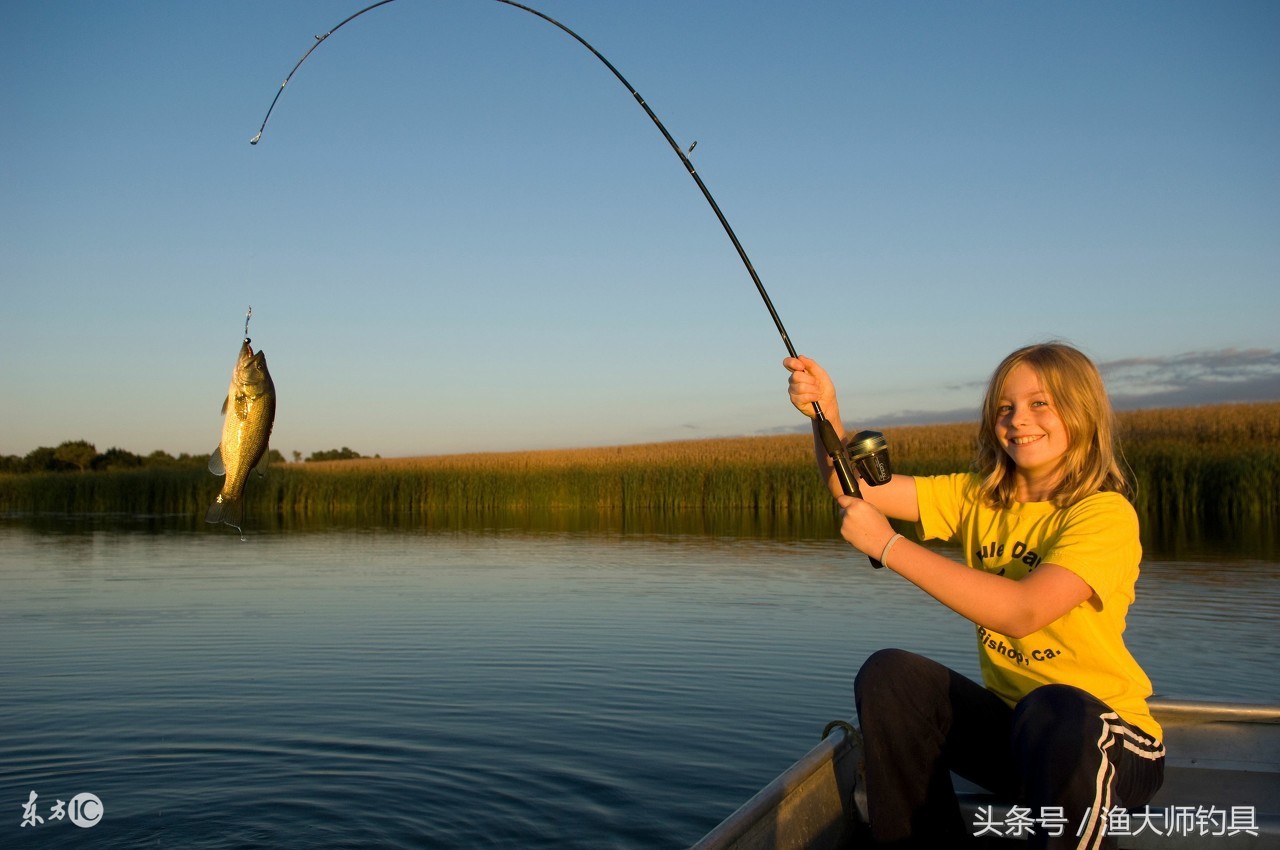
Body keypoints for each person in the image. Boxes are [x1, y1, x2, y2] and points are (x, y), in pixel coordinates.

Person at [784, 342, 1165, 850]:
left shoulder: (1103, 514)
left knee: (1054, 709)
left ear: (1083, 412)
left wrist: (889, 544)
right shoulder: (978, 496)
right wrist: (824, 413)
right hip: (1016, 738)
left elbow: (1021, 611)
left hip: (1107, 745)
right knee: (889, 675)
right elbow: (855, 491)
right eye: (1004, 408)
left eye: (1039, 403)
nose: (1017, 420)